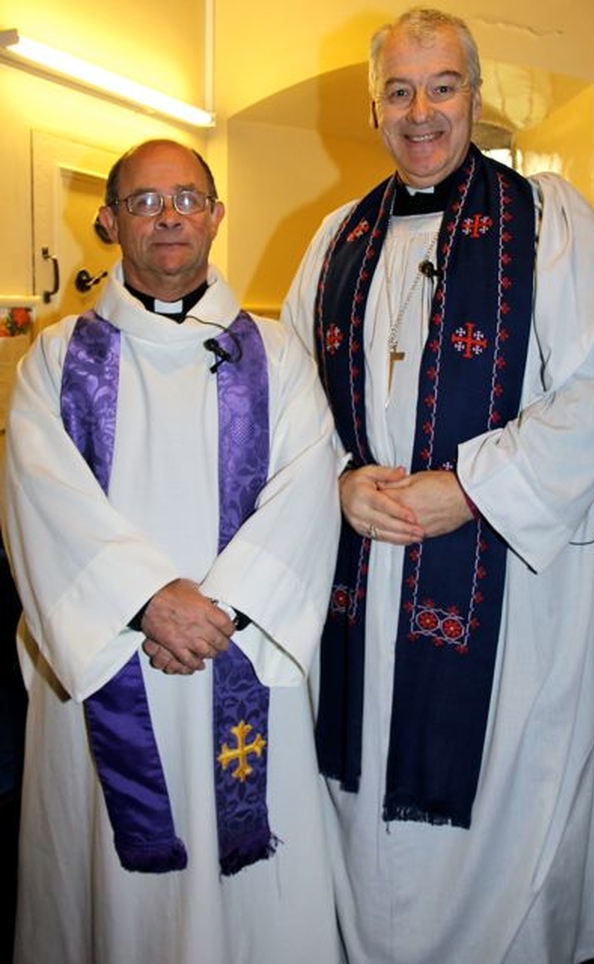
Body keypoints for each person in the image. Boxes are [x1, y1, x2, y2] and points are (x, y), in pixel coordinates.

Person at [281, 8, 594, 963]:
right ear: (375, 108)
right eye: (399, 90)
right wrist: (341, 480)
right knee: (365, 822)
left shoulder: (551, 224)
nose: (422, 110)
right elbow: (291, 410)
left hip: (504, 595)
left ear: (475, 98)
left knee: (502, 811)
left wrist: (470, 488)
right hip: (368, 578)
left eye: (442, 87)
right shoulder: (334, 241)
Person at [2, 138, 344, 964]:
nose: (169, 217)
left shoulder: (279, 355)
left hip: (242, 654)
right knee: (110, 891)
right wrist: (149, 602)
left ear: (217, 215)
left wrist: (218, 612)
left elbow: (307, 491)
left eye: (187, 198)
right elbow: (41, 500)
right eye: (146, 202)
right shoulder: (53, 360)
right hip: (110, 656)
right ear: (109, 218)